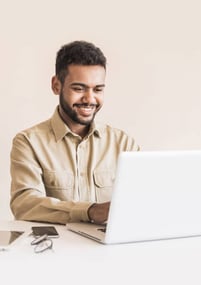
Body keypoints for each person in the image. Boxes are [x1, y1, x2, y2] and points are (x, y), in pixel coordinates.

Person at [10, 40, 140, 225]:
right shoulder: (28, 142)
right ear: (56, 85)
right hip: (54, 250)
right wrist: (90, 211)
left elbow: (140, 201)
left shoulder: (124, 144)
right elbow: (24, 204)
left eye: (98, 89)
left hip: (109, 249)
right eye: (79, 89)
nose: (89, 99)